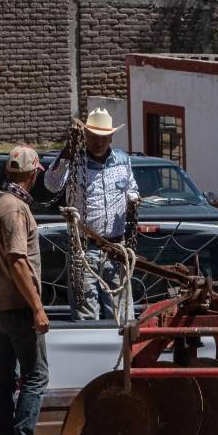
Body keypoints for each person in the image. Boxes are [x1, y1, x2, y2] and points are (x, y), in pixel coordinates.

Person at [0, 146, 54, 435]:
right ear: (33, 174)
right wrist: (37, 307)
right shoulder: (14, 208)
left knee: (5, 377)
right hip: (17, 305)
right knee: (36, 374)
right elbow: (17, 260)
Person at [45, 108, 139, 321]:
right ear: (86, 136)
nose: (98, 142)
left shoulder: (123, 160)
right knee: (86, 314)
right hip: (84, 249)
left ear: (111, 137)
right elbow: (51, 184)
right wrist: (66, 151)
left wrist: (133, 200)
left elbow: (131, 188)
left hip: (116, 248)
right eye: (94, 137)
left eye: (103, 137)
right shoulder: (74, 161)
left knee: (121, 313)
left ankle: (120, 343)